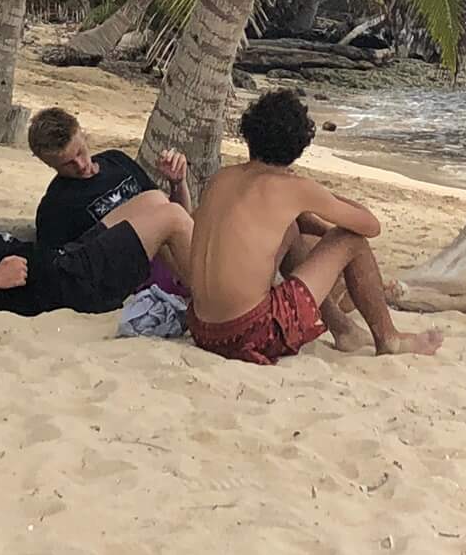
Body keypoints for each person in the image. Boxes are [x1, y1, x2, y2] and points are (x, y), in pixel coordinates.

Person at [185, 90, 443, 364]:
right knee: (351, 240)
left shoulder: (221, 179)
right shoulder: (294, 189)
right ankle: (389, 338)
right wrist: (319, 196)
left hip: (203, 330)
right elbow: (369, 225)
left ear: (250, 135)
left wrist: (308, 215)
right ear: (298, 146)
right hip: (249, 333)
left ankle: (343, 329)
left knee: (290, 228)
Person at [0, 130, 177, 317]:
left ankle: (187, 286)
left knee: (153, 199)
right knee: (171, 216)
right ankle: (210, 309)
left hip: (59, 263)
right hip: (65, 282)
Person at [27, 107, 195, 288]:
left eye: (79, 152)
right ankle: (200, 292)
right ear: (50, 164)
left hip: (170, 251)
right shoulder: (55, 205)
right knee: (155, 201)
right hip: (122, 270)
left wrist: (177, 183)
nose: (81, 165)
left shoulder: (116, 161)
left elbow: (182, 216)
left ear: (82, 135)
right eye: (68, 164)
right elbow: (57, 267)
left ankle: (198, 285)